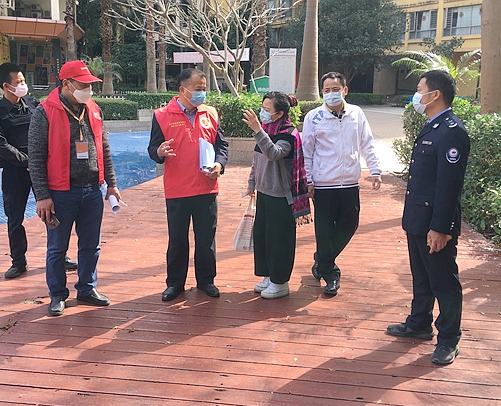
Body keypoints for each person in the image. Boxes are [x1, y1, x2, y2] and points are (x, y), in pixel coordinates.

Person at [386, 70, 470, 365]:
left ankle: (448, 339)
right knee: (421, 276)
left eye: (419, 89)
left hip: (435, 224)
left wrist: (441, 228)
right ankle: (419, 323)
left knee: (443, 282)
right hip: (417, 219)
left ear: (435, 95)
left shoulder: (452, 131)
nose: (416, 95)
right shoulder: (433, 126)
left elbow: (449, 186)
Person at [28, 60, 120, 317]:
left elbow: (104, 148)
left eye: (90, 85)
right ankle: (57, 294)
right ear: (67, 84)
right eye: (83, 85)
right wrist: (42, 196)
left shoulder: (93, 109)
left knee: (91, 245)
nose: (88, 90)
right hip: (61, 193)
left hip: (91, 190)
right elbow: (35, 158)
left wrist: (111, 184)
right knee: (57, 248)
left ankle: (87, 288)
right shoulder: (44, 112)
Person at [0, 63, 77, 279]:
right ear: (6, 86)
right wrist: (29, 161)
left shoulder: (34, 105)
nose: (23, 85)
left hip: (40, 170)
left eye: (23, 81)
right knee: (14, 218)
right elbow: (1, 146)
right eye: (19, 82)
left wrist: (37, 163)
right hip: (14, 172)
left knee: (51, 213)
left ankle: (60, 256)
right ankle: (18, 261)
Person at [148, 68, 229, 302]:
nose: (202, 93)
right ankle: (175, 284)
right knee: (177, 240)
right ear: (182, 90)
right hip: (177, 190)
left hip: (206, 187)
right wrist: (159, 152)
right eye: (198, 89)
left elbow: (222, 146)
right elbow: (153, 149)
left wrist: (220, 164)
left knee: (206, 240)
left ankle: (206, 281)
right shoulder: (162, 115)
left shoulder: (211, 113)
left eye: (204, 88)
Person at [302, 71, 382, 297]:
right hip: (323, 185)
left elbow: (367, 143)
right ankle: (330, 274)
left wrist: (375, 170)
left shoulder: (356, 113)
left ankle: (322, 259)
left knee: (349, 225)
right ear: (322, 93)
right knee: (324, 231)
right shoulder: (313, 117)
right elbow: (307, 151)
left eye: (335, 89)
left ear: (345, 90)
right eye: (327, 90)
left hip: (349, 184)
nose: (331, 94)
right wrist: (308, 180)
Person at [242, 91, 311, 299]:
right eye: (262, 108)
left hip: (281, 197)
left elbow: (273, 154)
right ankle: (268, 276)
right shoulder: (265, 131)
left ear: (279, 113)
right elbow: (257, 160)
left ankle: (280, 282)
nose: (262, 113)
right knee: (263, 237)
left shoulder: (288, 134)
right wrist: (252, 183)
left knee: (279, 240)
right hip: (264, 193)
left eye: (267, 110)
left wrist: (257, 130)